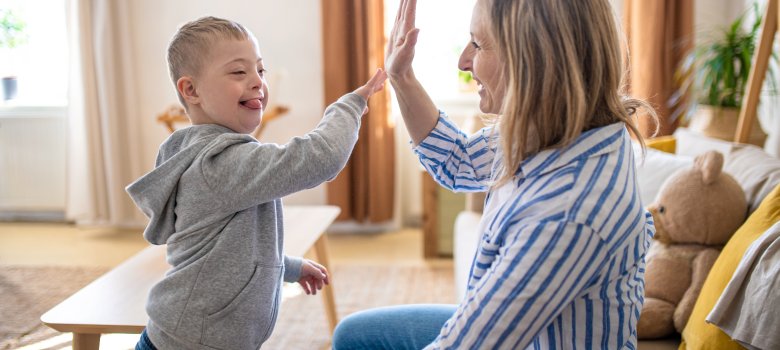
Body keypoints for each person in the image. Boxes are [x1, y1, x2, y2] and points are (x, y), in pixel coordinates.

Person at [332, 0, 657, 349]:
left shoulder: (566, 214)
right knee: (355, 335)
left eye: (478, 44)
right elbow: (459, 162)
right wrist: (401, 76)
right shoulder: (563, 127)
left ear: (535, 58)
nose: (463, 61)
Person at [126, 16, 386, 350]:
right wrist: (349, 106)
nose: (257, 82)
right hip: (195, 342)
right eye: (238, 72)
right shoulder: (217, 162)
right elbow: (318, 158)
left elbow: (230, 249)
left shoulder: (216, 156)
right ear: (191, 90)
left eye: (260, 70)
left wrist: (288, 266)